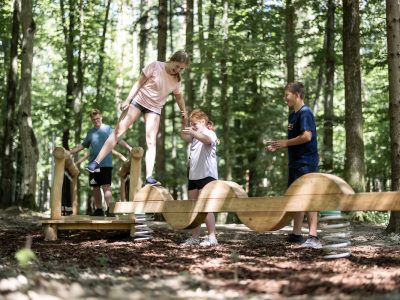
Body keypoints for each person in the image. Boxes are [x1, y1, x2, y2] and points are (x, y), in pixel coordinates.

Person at [86, 50, 189, 185]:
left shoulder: (176, 80)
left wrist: (184, 111)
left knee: (151, 141)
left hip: (155, 108)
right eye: (176, 66)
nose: (177, 70)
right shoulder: (155, 65)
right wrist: (128, 100)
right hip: (138, 101)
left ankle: (149, 177)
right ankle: (96, 162)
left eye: (181, 69)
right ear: (172, 59)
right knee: (118, 131)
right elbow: (139, 83)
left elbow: (179, 97)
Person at [266, 81, 321, 249]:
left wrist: (284, 143)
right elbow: (292, 141)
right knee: (296, 197)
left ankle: (314, 236)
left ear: (297, 95)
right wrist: (277, 146)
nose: (285, 98)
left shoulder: (305, 113)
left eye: (287, 95)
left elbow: (306, 136)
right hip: (295, 163)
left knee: (309, 197)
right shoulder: (292, 116)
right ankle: (297, 234)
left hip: (306, 162)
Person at [70, 109, 132, 216]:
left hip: (105, 164)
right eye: (94, 119)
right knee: (95, 187)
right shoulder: (90, 132)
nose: (96, 121)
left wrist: (130, 148)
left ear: (101, 117)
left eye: (98, 118)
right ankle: (99, 209)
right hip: (93, 165)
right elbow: (83, 145)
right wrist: (70, 152)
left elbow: (119, 140)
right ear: (91, 120)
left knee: (106, 186)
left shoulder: (108, 129)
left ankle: (109, 209)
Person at [180, 109, 219, 247]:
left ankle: (212, 237)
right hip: (193, 175)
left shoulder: (209, 133)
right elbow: (184, 136)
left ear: (203, 122)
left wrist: (193, 132)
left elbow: (207, 140)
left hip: (207, 175)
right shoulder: (195, 136)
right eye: (191, 124)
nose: (192, 126)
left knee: (205, 207)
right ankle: (195, 237)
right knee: (194, 207)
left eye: (194, 123)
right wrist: (184, 122)